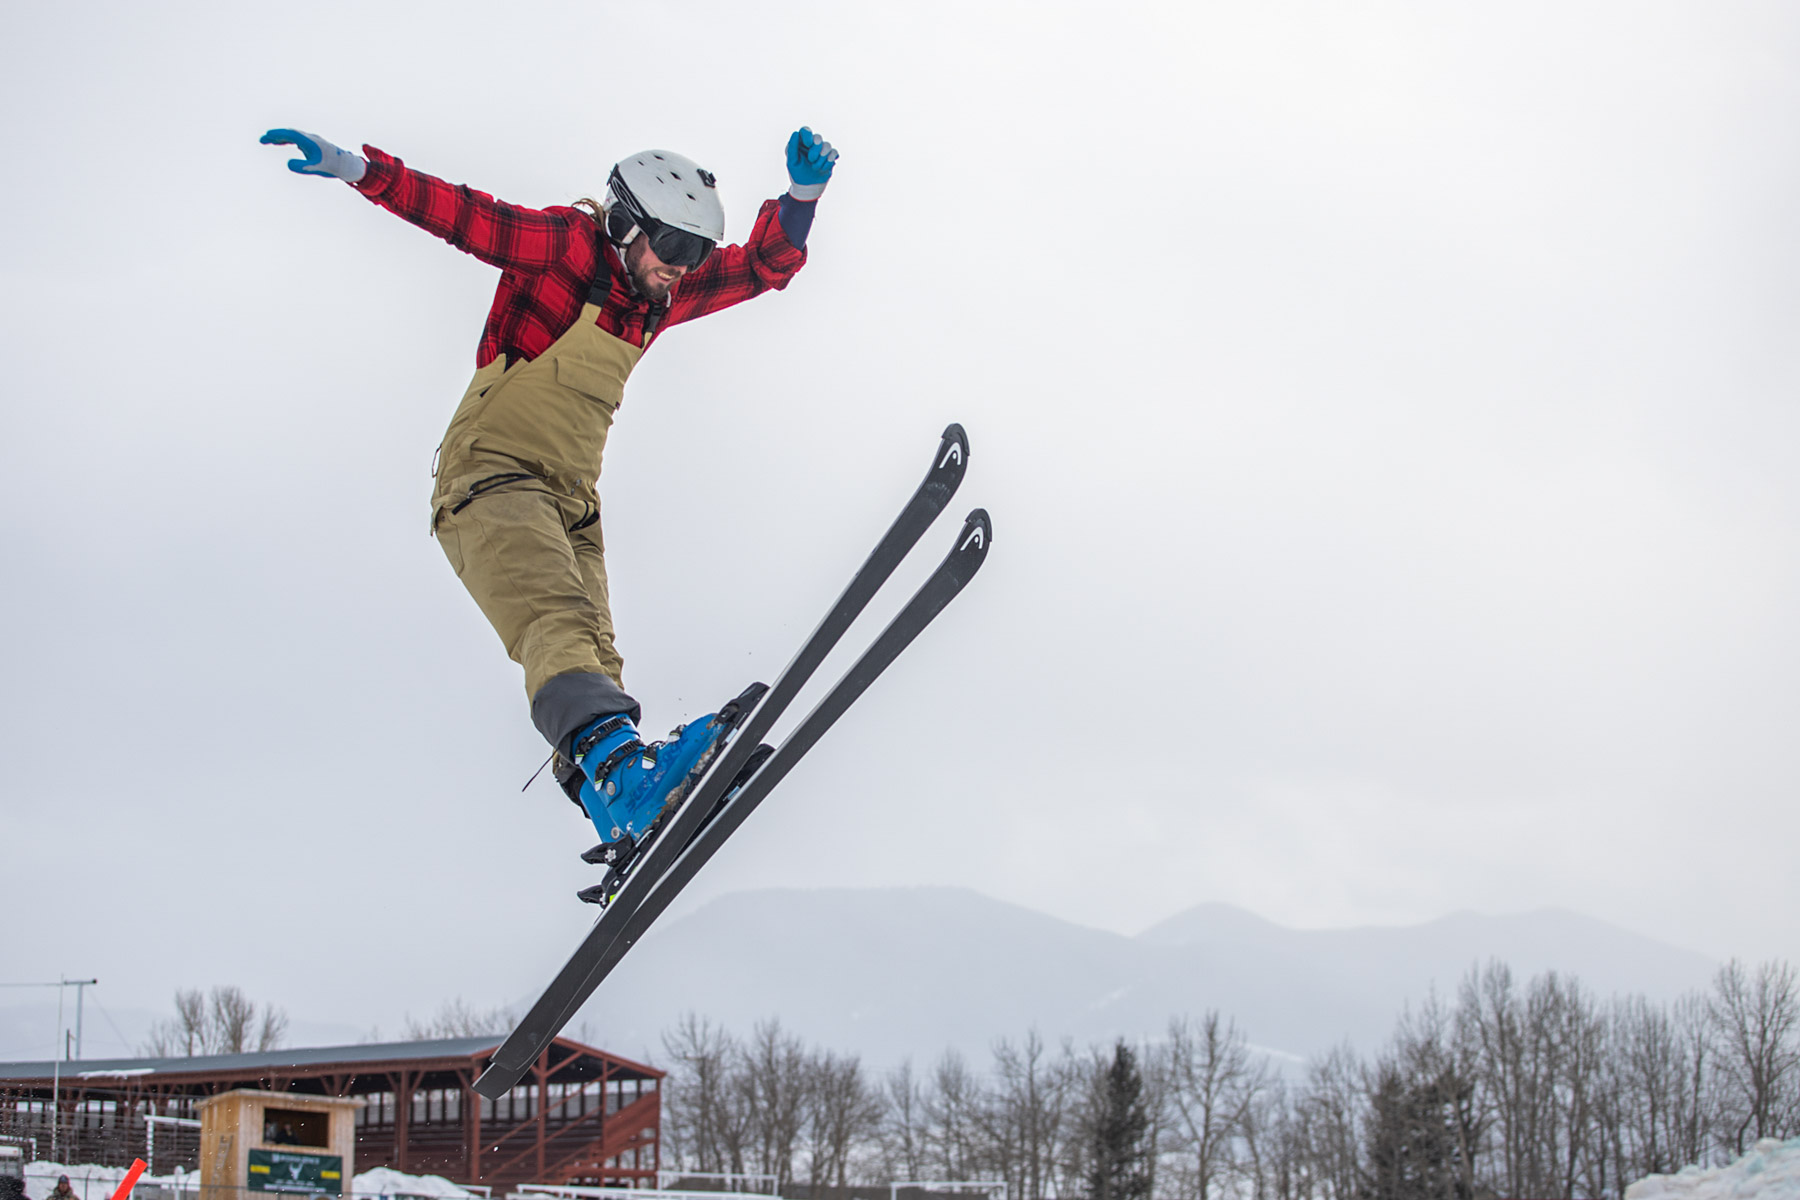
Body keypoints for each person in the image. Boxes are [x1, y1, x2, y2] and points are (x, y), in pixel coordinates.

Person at [261, 124, 838, 898]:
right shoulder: (568, 250)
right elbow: (466, 217)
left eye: (697, 252)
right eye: (673, 244)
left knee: (594, 656)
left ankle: (618, 805)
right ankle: (629, 781)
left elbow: (764, 266)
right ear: (626, 225)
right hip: (491, 478)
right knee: (556, 620)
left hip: (571, 500)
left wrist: (802, 195)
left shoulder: (658, 294)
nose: (682, 266)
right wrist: (358, 168)